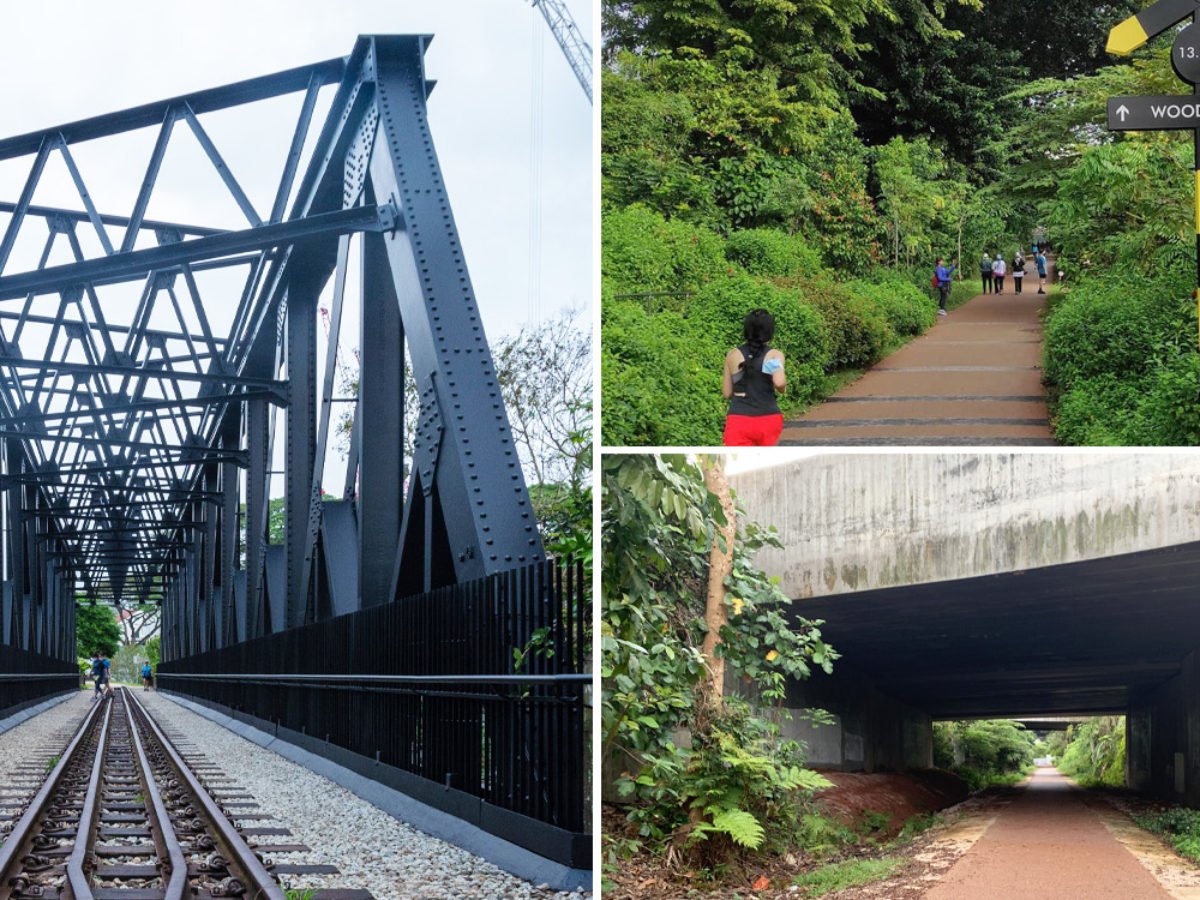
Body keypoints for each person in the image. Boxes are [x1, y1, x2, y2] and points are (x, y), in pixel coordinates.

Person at [723, 309, 786, 446]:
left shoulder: (732, 355)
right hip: (768, 419)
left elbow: (727, 393)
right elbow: (779, 382)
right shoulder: (773, 355)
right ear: (769, 331)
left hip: (738, 420)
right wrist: (782, 389)